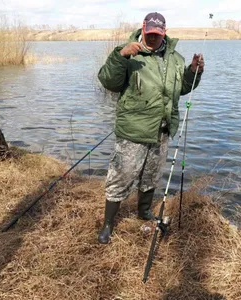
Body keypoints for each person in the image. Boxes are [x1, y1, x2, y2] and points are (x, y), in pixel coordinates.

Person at [97, 12, 204, 244]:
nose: (153, 38)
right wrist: (120, 56)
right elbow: (109, 82)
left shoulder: (175, 58)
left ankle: (143, 211)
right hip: (133, 129)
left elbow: (182, 88)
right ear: (143, 30)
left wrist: (193, 71)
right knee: (121, 175)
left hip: (161, 130)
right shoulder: (129, 52)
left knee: (151, 175)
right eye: (149, 33)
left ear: (164, 32)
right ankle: (108, 224)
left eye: (157, 34)